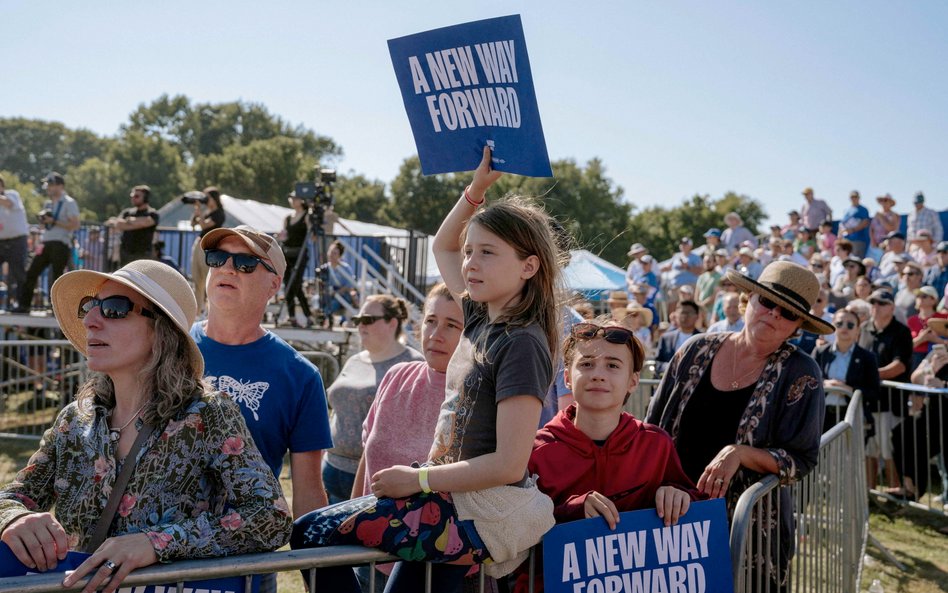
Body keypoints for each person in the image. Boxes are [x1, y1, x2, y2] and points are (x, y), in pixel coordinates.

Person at [291, 146, 560, 592]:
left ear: (529, 266)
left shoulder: (523, 343)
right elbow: (442, 244)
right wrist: (476, 190)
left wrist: (415, 478)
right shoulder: (480, 317)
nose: (471, 262)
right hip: (447, 502)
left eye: (488, 253)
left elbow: (509, 464)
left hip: (470, 510)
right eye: (470, 251)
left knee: (310, 532)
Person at [0, 260, 291, 593]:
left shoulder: (208, 414)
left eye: (114, 309)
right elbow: (11, 498)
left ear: (161, 330)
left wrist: (157, 543)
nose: (92, 321)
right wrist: (14, 517)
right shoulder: (75, 419)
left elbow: (270, 518)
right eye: (89, 307)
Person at [646, 261, 831, 589]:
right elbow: (652, 426)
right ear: (749, 300)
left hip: (749, 534)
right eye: (768, 302)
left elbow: (800, 460)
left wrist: (741, 453)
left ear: (798, 325)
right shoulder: (695, 349)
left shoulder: (801, 373)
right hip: (670, 519)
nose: (774, 314)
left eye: (787, 313)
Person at [514, 320, 699, 593]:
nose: (598, 374)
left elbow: (693, 510)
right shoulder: (535, 450)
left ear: (633, 381)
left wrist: (680, 495)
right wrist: (571, 510)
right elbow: (514, 526)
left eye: (612, 365)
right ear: (566, 377)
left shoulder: (656, 444)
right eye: (586, 364)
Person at [190, 226, 332, 520]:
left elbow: (308, 492)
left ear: (274, 285)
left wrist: (316, 564)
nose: (227, 269)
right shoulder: (167, 348)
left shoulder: (299, 375)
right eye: (217, 258)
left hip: (246, 557)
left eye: (244, 263)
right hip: (153, 552)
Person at [349, 283, 463, 590]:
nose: (436, 334)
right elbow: (367, 456)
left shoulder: (478, 396)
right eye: (430, 320)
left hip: (432, 567)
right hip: (368, 554)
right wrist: (348, 521)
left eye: (452, 325)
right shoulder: (397, 375)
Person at [323, 295, 423, 504]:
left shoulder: (413, 364)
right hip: (332, 469)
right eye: (358, 320)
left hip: (373, 479)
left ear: (392, 323)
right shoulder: (354, 360)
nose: (360, 326)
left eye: (368, 320)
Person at [859, 288, 914, 489]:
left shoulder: (901, 332)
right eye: (873, 302)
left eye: (881, 303)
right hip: (868, 402)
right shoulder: (863, 328)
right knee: (869, 451)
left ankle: (894, 492)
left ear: (891, 307)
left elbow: (900, 366)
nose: (875, 306)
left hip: (891, 403)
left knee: (889, 450)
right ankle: (870, 493)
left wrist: (871, 375)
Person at [889, 341, 948, 502]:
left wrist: (943, 384)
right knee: (901, 434)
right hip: (933, 414)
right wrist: (933, 369)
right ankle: (910, 488)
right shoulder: (939, 352)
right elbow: (916, 377)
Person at [16, 172, 80, 312]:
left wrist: (54, 221)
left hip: (60, 243)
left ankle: (56, 309)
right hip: (46, 242)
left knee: (56, 277)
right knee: (31, 272)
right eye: (48, 185)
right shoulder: (48, 203)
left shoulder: (69, 202)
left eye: (51, 185)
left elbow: (75, 225)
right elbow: (46, 226)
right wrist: (44, 222)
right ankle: (24, 306)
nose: (48, 188)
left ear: (60, 186)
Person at [813, 308, 881, 433]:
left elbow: (874, 392)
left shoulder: (868, 357)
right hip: (821, 416)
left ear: (857, 330)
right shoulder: (820, 352)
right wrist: (825, 384)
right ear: (833, 326)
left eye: (850, 325)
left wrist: (848, 389)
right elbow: (808, 382)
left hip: (852, 417)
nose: (844, 327)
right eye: (839, 324)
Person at [279, 190, 314, 326]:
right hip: (288, 253)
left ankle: (307, 314)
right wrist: (281, 237)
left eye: (296, 198)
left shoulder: (306, 216)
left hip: (300, 253)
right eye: (292, 198)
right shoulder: (287, 218)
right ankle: (292, 315)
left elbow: (312, 234)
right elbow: (285, 235)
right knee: (288, 284)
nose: (293, 201)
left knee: (296, 284)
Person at [189, 186, 226, 314]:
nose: (204, 200)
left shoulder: (219, 213)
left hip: (210, 247)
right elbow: (193, 224)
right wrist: (197, 211)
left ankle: (210, 310)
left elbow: (205, 224)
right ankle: (198, 310)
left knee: (208, 278)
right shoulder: (206, 212)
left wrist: (199, 210)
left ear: (214, 198)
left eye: (206, 197)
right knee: (196, 277)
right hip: (199, 243)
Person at [106, 185, 159, 265]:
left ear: (146, 198)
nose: (133, 198)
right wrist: (137, 223)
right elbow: (118, 224)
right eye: (132, 196)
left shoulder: (153, 213)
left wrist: (128, 222)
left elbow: (147, 222)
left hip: (143, 254)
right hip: (126, 254)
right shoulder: (127, 212)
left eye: (137, 196)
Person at [0, 175, 29, 310]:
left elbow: (9, 204)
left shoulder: (12, 195)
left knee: (18, 273)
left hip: (17, 241)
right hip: (1, 242)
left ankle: (21, 304)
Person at [907, 286, 948, 369]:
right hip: (916, 358)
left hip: (940, 358)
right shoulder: (911, 320)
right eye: (918, 296)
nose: (920, 298)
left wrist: (936, 340)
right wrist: (921, 338)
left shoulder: (944, 317)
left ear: (934, 300)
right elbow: (906, 346)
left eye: (924, 296)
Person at [656, 299, 701, 369]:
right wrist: (670, 367)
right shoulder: (666, 338)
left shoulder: (702, 339)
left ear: (697, 316)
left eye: (689, 313)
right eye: (682, 313)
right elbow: (657, 363)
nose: (685, 316)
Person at [839, 190, 871, 257]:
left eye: (855, 197)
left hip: (858, 240)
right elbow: (842, 224)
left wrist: (852, 230)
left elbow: (865, 222)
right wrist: (840, 235)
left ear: (859, 198)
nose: (854, 198)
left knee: (856, 261)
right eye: (852, 197)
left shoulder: (863, 209)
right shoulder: (846, 210)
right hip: (846, 240)